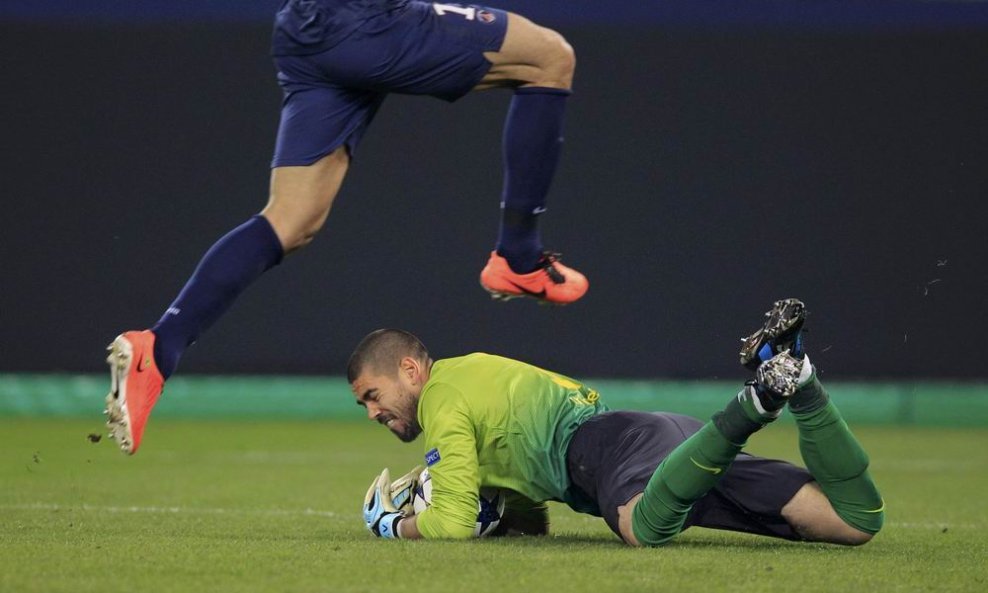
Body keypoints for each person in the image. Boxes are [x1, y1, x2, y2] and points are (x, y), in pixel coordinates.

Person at [103, 0, 590, 455]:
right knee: (548, 57)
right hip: (365, 23)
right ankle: (519, 257)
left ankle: (159, 349)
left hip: (307, 30)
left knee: (291, 220)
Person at [354, 299, 885, 545]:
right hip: (668, 452)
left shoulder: (441, 401)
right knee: (857, 524)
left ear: (409, 369)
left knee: (641, 530)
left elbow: (449, 523)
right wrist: (507, 519)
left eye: (373, 396)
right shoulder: (467, 378)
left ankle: (753, 407)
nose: (374, 412)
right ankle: (802, 380)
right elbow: (523, 502)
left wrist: (394, 526)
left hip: (613, 450)